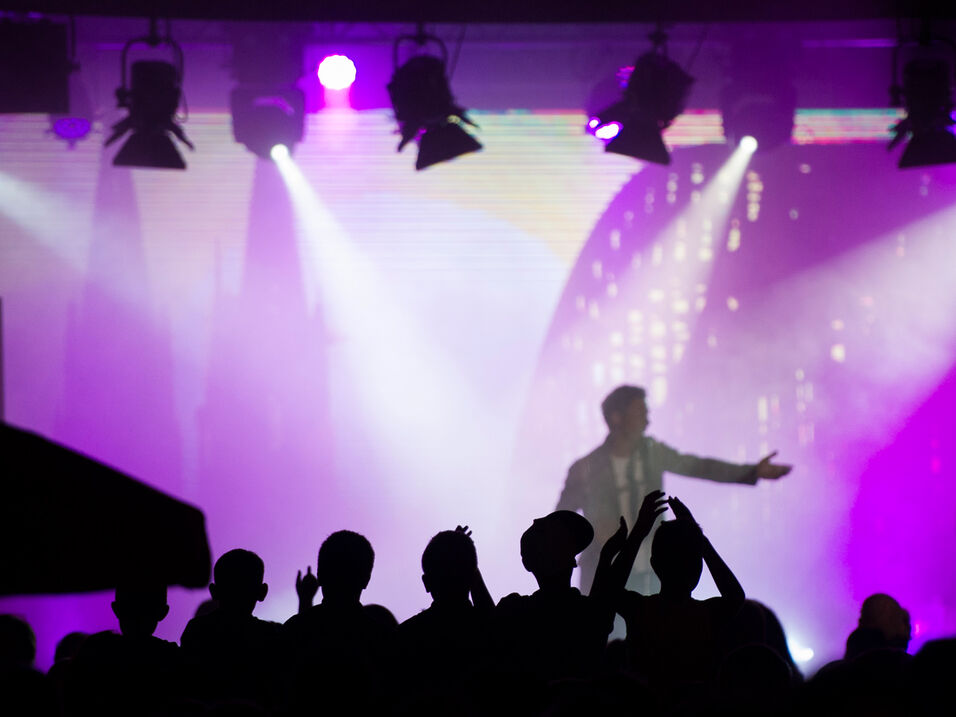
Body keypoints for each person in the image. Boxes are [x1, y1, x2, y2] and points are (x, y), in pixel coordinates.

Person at [557, 384, 791, 592]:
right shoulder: (584, 469)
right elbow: (559, 521)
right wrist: (590, 533)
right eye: (640, 413)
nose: (647, 421)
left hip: (653, 573)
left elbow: (698, 466)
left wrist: (751, 472)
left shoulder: (652, 453)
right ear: (617, 417)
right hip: (604, 574)